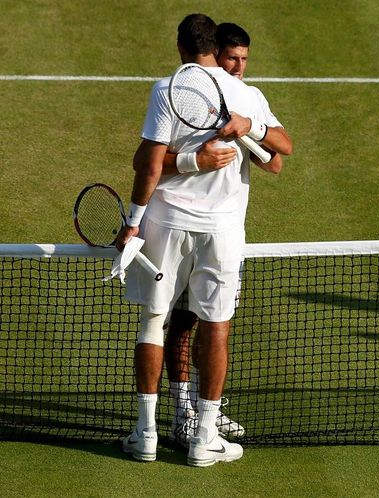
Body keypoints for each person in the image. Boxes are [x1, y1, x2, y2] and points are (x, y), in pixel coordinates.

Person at [117, 13, 273, 467]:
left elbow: (145, 165)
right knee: (216, 324)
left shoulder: (168, 89)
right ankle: (204, 439)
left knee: (154, 320)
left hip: (165, 223)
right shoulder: (244, 92)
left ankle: (145, 435)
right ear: (215, 48)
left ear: (181, 47)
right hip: (224, 230)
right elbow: (279, 157)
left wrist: (132, 222)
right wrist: (200, 155)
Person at [161, 22, 293, 447]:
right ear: (214, 55)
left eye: (244, 60)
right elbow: (148, 161)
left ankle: (205, 411)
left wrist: (249, 128)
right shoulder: (185, 94)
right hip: (181, 228)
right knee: (181, 323)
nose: (238, 67)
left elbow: (277, 159)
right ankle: (182, 410)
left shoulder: (248, 98)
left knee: (213, 323)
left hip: (225, 233)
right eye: (232, 58)